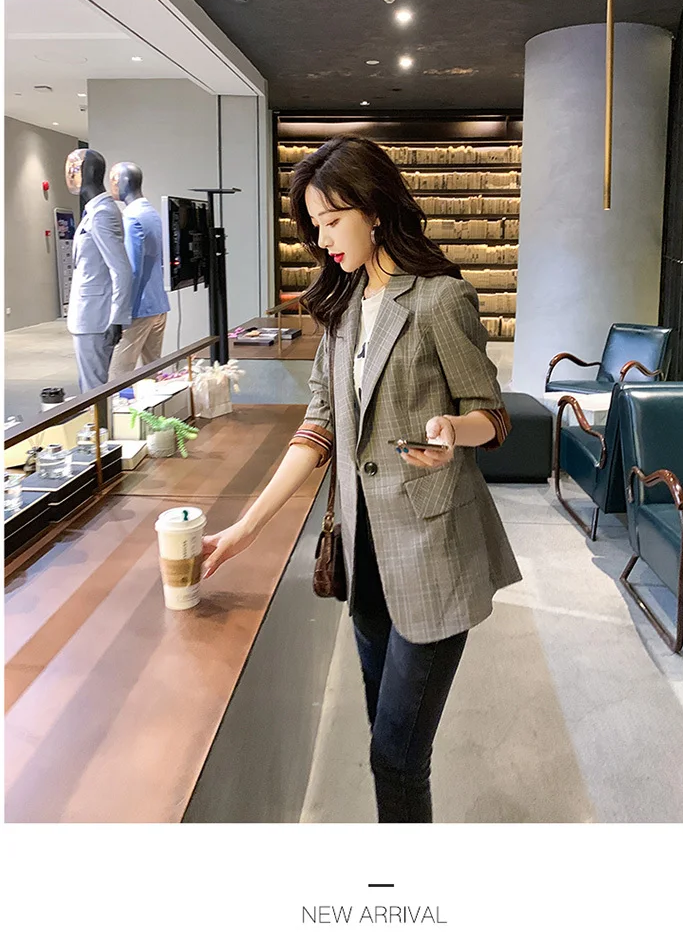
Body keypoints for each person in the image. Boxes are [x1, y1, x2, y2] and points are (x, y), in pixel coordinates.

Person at [202, 135, 521, 823]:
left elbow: (493, 415)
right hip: (365, 555)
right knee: (384, 735)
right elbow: (318, 427)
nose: (322, 240)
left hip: (433, 554)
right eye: (315, 226)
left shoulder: (439, 299)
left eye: (332, 221)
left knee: (397, 757)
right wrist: (245, 529)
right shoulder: (342, 307)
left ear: (374, 210)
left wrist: (453, 431)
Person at [65, 148, 132, 392]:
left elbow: (121, 269)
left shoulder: (103, 213)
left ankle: (100, 420)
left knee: (94, 390)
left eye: (74, 168)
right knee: (90, 387)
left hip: (95, 317)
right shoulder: (93, 211)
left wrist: (117, 318)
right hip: (88, 314)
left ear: (89, 172)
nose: (69, 175)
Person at [107, 162, 170, 378]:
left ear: (121, 181)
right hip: (157, 303)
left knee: (118, 376)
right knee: (152, 373)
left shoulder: (131, 217)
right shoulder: (151, 214)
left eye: (112, 180)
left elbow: (131, 270)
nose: (111, 185)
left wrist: (119, 313)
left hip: (138, 308)